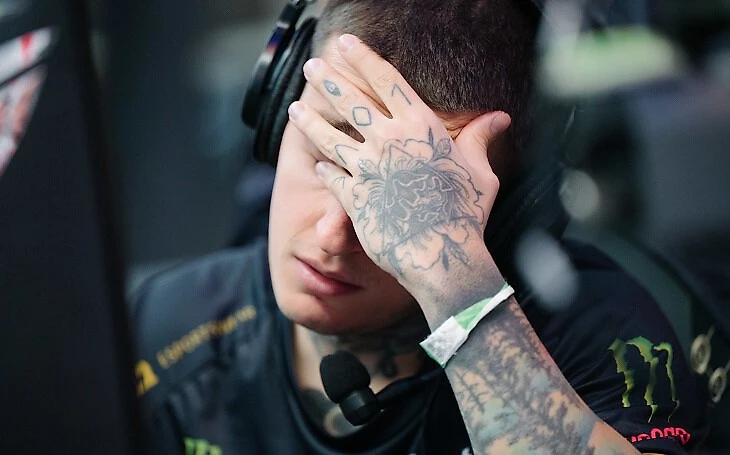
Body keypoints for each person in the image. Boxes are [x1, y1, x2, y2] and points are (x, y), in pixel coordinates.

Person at [131, 0, 709, 453]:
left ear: (512, 210)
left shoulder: (606, 339)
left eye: (424, 197)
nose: (334, 236)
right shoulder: (160, 329)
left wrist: (459, 288)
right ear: (277, 112)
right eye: (331, 158)